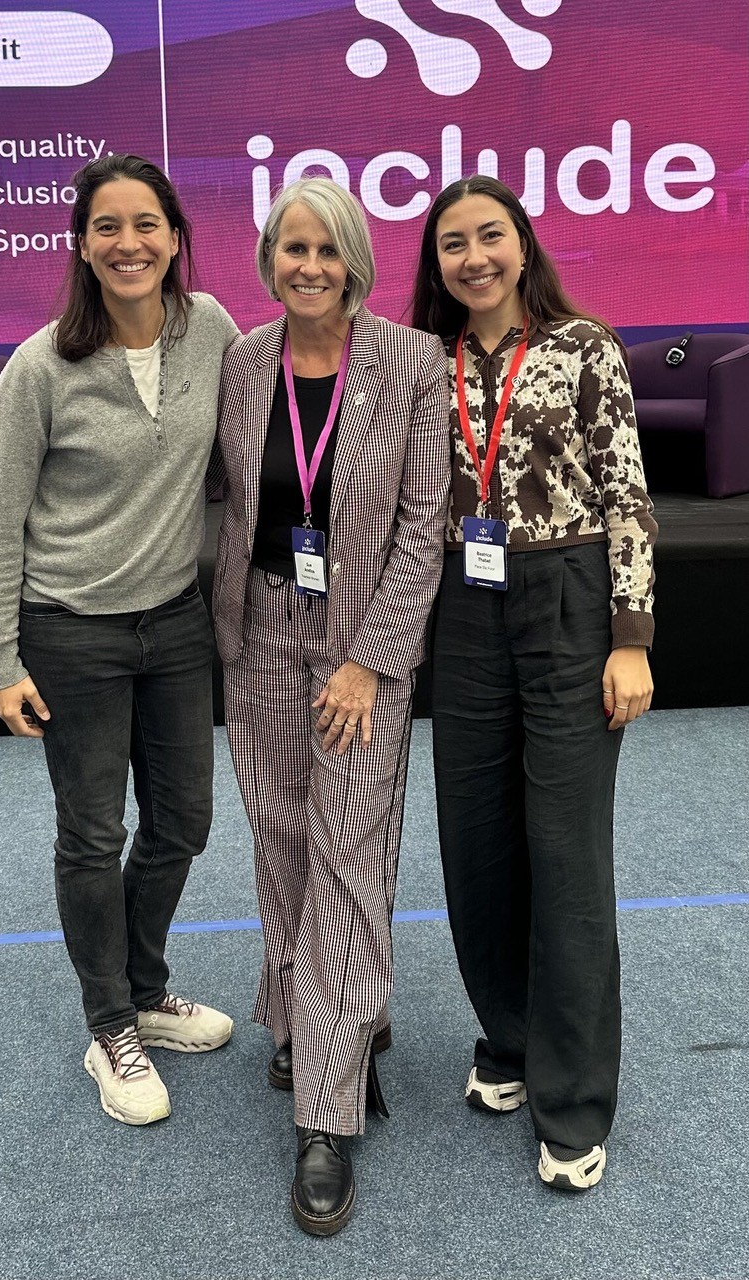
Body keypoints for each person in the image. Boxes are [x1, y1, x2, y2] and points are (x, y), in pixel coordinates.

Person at [0, 154, 238, 1127]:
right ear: (81, 245)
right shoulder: (41, 366)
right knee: (93, 833)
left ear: (174, 236)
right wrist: (3, 661)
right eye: (107, 227)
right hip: (69, 632)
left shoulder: (211, 331)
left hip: (173, 624)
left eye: (146, 224)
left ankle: (143, 987)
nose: (128, 243)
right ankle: (110, 1025)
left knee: (183, 823)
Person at [213, 177, 450, 1235]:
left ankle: (326, 1110)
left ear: (353, 258)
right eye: (289, 246)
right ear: (268, 255)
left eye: (325, 248)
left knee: (348, 855)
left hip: (358, 649)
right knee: (282, 842)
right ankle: (311, 1016)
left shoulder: (408, 362)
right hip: (260, 630)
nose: (306, 264)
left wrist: (369, 659)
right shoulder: (242, 360)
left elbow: (421, 520)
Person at [412, 175, 657, 1191]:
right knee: (475, 843)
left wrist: (629, 635)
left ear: (521, 243)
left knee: (561, 850)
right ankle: (507, 1038)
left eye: (488, 236)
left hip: (566, 594)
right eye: (450, 243)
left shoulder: (581, 344)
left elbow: (627, 490)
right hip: (461, 611)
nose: (471, 256)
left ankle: (572, 1096)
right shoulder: (422, 361)